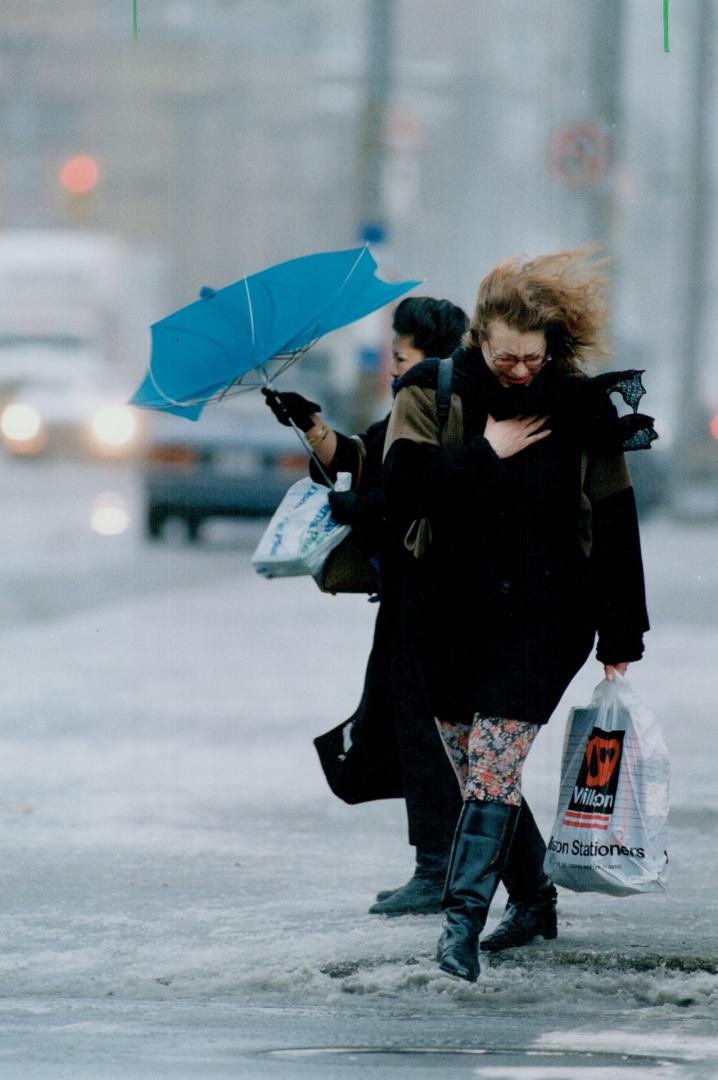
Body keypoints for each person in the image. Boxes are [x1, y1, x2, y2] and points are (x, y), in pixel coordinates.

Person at [382, 249, 656, 981]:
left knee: (496, 759)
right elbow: (400, 495)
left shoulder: (579, 404)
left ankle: (459, 927)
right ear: (480, 336)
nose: (521, 373)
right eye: (508, 357)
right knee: (480, 770)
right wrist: (484, 452)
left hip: (545, 614)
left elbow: (614, 517)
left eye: (534, 358)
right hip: (445, 617)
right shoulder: (431, 391)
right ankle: (533, 899)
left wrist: (621, 631)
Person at [263, 297, 469, 915]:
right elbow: (367, 461)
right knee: (410, 725)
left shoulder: (442, 403)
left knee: (431, 732)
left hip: (438, 599)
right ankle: (440, 864)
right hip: (408, 596)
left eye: (401, 355)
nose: (394, 365)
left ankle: (444, 870)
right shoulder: (416, 400)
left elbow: (409, 492)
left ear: (429, 355)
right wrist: (314, 430)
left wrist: (362, 509)